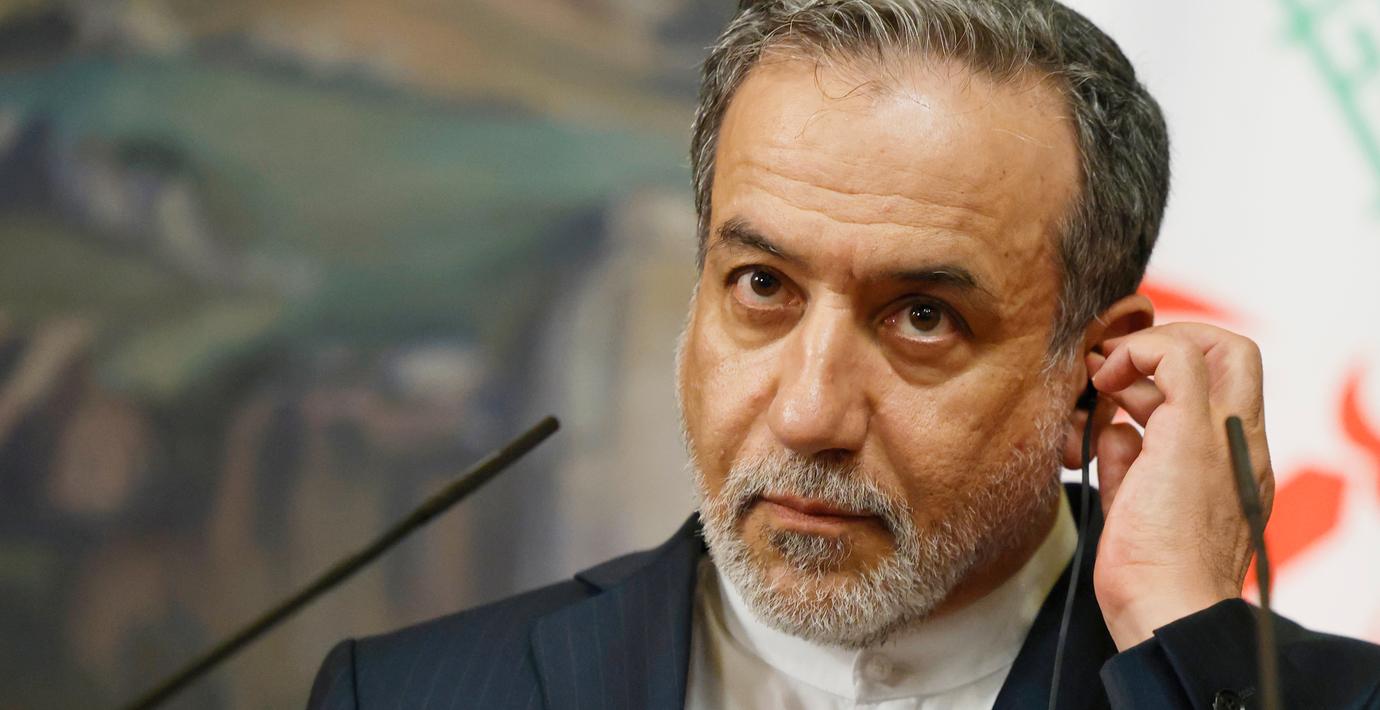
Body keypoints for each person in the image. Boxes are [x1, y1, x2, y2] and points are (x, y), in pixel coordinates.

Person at [307, 1, 1380, 708]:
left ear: (1090, 373)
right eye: (761, 286)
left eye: (924, 317)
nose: (808, 414)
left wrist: (1184, 642)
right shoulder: (404, 693)